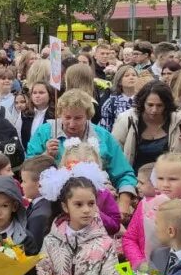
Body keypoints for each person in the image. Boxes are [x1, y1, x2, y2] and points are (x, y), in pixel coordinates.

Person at [26, 89, 138, 217]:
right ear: (59, 114)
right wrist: (46, 155)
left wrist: (122, 205)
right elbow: (28, 170)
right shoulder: (45, 133)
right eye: (67, 117)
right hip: (55, 207)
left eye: (78, 118)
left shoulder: (103, 137)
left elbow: (124, 174)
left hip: (96, 208)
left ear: (88, 116)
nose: (72, 124)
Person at [122, 153, 181, 267]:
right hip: (148, 271)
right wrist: (140, 263)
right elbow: (130, 238)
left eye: (173, 179)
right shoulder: (145, 205)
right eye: (160, 178)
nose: (165, 184)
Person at [111, 81, 181, 170]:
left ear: (166, 105)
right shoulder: (126, 120)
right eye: (150, 105)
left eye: (159, 105)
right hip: (133, 179)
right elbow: (113, 153)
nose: (154, 110)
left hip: (167, 179)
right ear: (142, 102)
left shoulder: (179, 122)